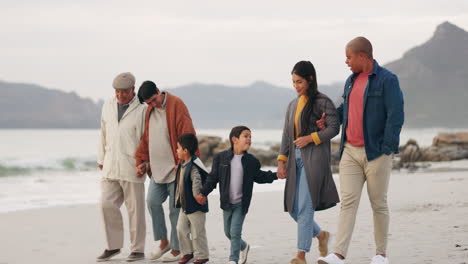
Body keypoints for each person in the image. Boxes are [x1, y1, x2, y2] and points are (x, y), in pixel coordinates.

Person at [317, 37, 404, 264]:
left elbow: (396, 116)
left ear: (363, 56)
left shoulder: (387, 80)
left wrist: (387, 148)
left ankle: (380, 254)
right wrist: (326, 120)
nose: (346, 61)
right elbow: (344, 109)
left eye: (349, 57)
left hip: (376, 153)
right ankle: (338, 254)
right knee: (348, 202)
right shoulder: (350, 80)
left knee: (378, 203)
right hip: (350, 152)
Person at [276, 61, 340, 264]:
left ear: (310, 79)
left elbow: (334, 128)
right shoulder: (292, 105)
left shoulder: (323, 101)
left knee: (304, 207)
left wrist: (311, 137)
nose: (296, 86)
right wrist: (281, 161)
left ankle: (301, 255)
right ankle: (321, 235)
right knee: (293, 208)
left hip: (315, 160)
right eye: (294, 82)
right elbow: (287, 134)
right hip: (295, 161)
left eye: (299, 82)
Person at [135, 80, 198, 262]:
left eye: (154, 100)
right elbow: (147, 138)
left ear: (158, 91)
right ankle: (164, 242)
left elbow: (187, 134)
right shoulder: (149, 111)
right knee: (152, 202)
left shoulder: (176, 104)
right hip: (157, 169)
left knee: (174, 210)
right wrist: (142, 161)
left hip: (176, 168)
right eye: (149, 103)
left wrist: (184, 162)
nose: (153, 105)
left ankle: (177, 249)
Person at [196, 126, 278, 264]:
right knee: (228, 233)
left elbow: (260, 176)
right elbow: (212, 178)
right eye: (246, 136)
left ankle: (233, 260)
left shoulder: (252, 161)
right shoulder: (220, 158)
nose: (249, 139)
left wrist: (276, 175)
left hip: (241, 203)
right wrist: (203, 193)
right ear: (235, 139)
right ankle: (244, 247)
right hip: (227, 202)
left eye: (250, 137)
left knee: (234, 233)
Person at [96, 72, 147, 262]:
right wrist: (101, 157)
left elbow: (146, 139)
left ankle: (138, 249)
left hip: (133, 166)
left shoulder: (142, 110)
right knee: (105, 204)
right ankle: (114, 246)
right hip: (110, 165)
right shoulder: (108, 105)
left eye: (124, 92)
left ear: (133, 90)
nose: (120, 96)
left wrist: (145, 163)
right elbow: (103, 133)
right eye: (117, 92)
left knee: (136, 211)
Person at [174, 133, 210, 264]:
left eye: (178, 148)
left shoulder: (194, 166)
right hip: (185, 205)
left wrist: (197, 195)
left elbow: (197, 180)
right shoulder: (183, 164)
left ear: (185, 151)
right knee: (181, 229)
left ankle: (202, 255)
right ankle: (187, 252)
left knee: (197, 232)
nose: (176, 150)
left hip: (195, 205)